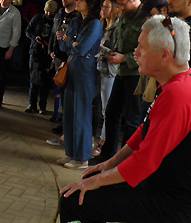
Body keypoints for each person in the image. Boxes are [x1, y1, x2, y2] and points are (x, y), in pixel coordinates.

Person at [59, 16, 191, 223]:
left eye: (142, 48)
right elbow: (143, 131)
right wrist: (110, 163)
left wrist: (99, 180)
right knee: (88, 182)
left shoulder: (178, 94)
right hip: (160, 186)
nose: (135, 53)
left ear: (165, 55)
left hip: (172, 202)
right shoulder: (175, 83)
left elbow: (145, 161)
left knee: (74, 201)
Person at [97, 0, 146, 162]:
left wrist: (125, 58)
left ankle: (125, 161)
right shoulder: (125, 16)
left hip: (137, 75)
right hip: (121, 72)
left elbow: (148, 51)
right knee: (111, 113)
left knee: (132, 119)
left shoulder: (146, 19)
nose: (121, 8)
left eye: (124, 4)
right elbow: (120, 40)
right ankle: (108, 156)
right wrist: (113, 52)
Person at [57, 0, 104, 169]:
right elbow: (63, 45)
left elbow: (82, 48)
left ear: (90, 4)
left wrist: (70, 43)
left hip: (85, 69)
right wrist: (71, 44)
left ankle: (82, 157)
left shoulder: (95, 24)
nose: (77, 2)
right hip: (72, 66)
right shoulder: (76, 21)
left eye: (81, 0)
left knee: (81, 113)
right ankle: (71, 152)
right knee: (69, 112)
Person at [93, 0, 122, 158]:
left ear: (115, 9)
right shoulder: (102, 26)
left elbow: (115, 51)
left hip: (110, 71)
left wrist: (100, 49)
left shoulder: (117, 27)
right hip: (98, 68)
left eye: (106, 6)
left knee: (107, 109)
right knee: (95, 104)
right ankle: (92, 139)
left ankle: (103, 143)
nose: (103, 9)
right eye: (102, 6)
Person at [48, 0, 81, 125]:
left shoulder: (78, 17)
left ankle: (67, 122)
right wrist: (51, 49)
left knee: (69, 90)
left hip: (70, 57)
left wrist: (68, 36)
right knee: (60, 88)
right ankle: (60, 117)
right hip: (58, 56)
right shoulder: (59, 14)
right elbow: (53, 32)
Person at [24, 0, 57, 114]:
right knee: (33, 79)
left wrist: (50, 44)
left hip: (48, 54)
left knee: (46, 81)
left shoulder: (56, 22)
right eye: (47, 11)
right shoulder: (37, 18)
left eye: (51, 12)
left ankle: (43, 106)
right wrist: (35, 38)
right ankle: (31, 104)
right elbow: (28, 31)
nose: (49, 13)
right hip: (35, 52)